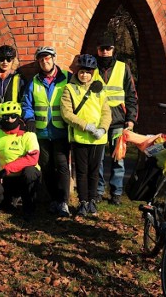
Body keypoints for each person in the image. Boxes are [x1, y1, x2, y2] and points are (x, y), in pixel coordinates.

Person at [22, 46, 72, 217]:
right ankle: (53, 200)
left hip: (61, 131)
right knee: (47, 166)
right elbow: (27, 103)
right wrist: (29, 119)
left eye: (48, 58)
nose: (45, 61)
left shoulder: (67, 78)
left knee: (62, 165)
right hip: (42, 131)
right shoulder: (34, 81)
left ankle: (63, 201)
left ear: (54, 58)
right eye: (41, 59)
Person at [60, 54, 111, 217]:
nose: (84, 75)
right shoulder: (69, 88)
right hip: (80, 136)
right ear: (77, 72)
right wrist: (86, 126)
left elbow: (106, 111)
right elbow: (66, 113)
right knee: (81, 171)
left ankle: (92, 201)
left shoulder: (99, 88)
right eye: (82, 72)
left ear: (93, 73)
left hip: (98, 138)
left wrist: (103, 128)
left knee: (94, 171)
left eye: (88, 72)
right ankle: (83, 201)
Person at [0, 102, 41, 221]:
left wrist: (7, 169)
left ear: (19, 117)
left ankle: (29, 208)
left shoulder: (29, 134)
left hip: (25, 176)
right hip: (7, 179)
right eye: (6, 117)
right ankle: (11, 199)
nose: (10, 120)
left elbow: (32, 158)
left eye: (13, 116)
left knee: (30, 172)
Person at [93, 33, 138, 206]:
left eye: (108, 48)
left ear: (113, 49)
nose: (104, 51)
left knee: (118, 158)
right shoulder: (91, 68)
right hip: (98, 120)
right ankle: (98, 191)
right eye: (101, 48)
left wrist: (131, 118)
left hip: (119, 120)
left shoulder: (123, 67)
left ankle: (116, 193)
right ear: (98, 50)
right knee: (98, 158)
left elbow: (131, 95)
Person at [0, 45, 24, 133]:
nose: (5, 62)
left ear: (13, 61)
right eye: (2, 59)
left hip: (13, 124)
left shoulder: (19, 79)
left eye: (8, 59)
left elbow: (25, 103)